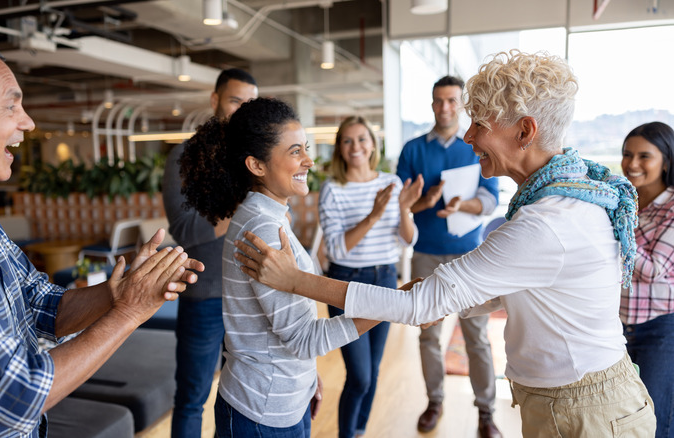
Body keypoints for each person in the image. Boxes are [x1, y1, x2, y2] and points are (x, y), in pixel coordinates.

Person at [233, 50, 657, 437]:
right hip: (578, 402)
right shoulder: (569, 193)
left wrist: (295, 280)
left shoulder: (545, 222)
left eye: (481, 125)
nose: (468, 137)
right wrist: (435, 298)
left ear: (525, 131)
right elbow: (529, 289)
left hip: (585, 413)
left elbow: (421, 307)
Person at [0, 33, 204, 437]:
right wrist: (130, 311)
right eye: (11, 106)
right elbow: (17, 392)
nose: (28, 122)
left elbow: (43, 307)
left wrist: (125, 289)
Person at [179, 97, 379, 437]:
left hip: (279, 399)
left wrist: (304, 376)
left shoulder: (268, 217)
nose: (309, 161)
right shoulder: (264, 230)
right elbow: (302, 338)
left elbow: (283, 323)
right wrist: (391, 308)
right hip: (262, 413)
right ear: (257, 165)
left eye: (306, 148)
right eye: (295, 151)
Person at [396, 75, 501, 437]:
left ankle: (486, 413)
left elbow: (490, 197)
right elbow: (402, 204)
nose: (445, 107)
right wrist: (428, 200)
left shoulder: (477, 144)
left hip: (471, 258)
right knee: (427, 336)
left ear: (462, 104)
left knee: (477, 338)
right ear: (431, 104)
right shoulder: (412, 150)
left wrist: (462, 204)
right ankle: (434, 400)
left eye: (452, 101)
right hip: (425, 254)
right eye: (439, 101)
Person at [162, 67, 258, 437]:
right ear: (215, 100)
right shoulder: (184, 156)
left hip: (252, 295)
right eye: (236, 101)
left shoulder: (257, 156)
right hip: (205, 296)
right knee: (192, 397)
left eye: (250, 103)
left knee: (243, 398)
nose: (242, 111)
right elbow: (186, 231)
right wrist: (244, 201)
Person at [319, 115, 422, 438]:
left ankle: (360, 430)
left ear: (373, 144)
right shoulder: (333, 189)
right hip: (346, 285)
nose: (356, 147)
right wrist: (373, 215)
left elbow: (408, 239)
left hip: (384, 279)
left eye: (362, 139)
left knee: (373, 369)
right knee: (360, 375)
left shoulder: (389, 182)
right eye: (347, 141)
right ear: (339, 148)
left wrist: (404, 209)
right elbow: (336, 250)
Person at [620, 121, 674, 438]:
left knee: (657, 421)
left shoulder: (671, 207)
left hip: (661, 329)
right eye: (627, 154)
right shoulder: (626, 201)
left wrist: (611, 234)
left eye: (644, 156)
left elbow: (654, 268)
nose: (633, 164)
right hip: (620, 326)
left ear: (666, 160)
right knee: (627, 418)